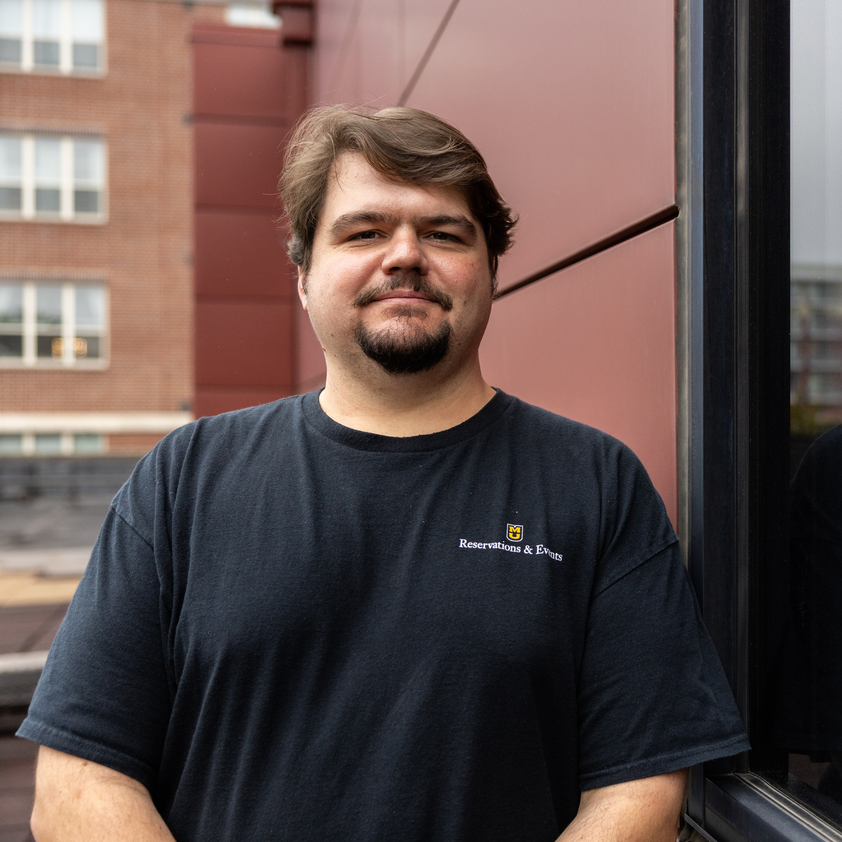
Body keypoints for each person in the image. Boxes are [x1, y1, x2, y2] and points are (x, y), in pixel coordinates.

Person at [20, 105, 748, 842]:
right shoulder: (185, 480)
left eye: (443, 233)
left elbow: (640, 794)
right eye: (364, 232)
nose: (404, 255)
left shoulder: (595, 484)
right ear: (303, 276)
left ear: (492, 271)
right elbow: (77, 783)